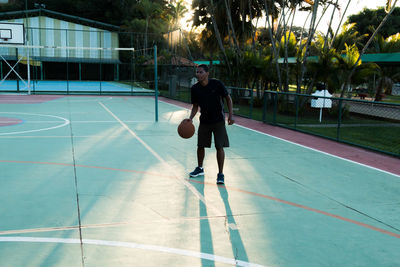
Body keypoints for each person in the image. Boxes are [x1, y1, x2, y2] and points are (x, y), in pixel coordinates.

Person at [185, 64, 234, 184]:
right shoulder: (195, 88)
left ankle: (221, 174)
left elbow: (228, 98)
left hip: (218, 121)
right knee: (200, 145)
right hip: (205, 121)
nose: (198, 74)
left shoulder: (217, 84)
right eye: (197, 72)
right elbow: (195, 106)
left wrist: (230, 115)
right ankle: (200, 168)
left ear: (207, 73)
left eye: (201, 72)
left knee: (219, 147)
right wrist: (190, 118)